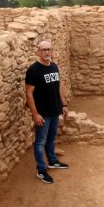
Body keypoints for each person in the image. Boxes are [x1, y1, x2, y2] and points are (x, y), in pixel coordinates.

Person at [25, 40, 69, 184]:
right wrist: (35, 114)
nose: (46, 52)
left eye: (49, 49)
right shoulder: (33, 70)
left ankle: (52, 161)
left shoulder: (54, 66)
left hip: (54, 110)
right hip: (42, 113)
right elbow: (29, 93)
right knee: (40, 142)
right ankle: (41, 170)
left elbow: (58, 87)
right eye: (43, 49)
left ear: (52, 50)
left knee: (51, 138)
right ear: (38, 51)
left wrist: (64, 104)